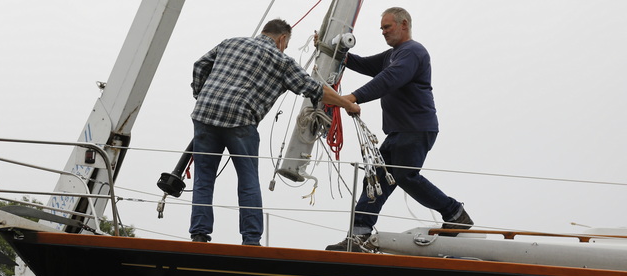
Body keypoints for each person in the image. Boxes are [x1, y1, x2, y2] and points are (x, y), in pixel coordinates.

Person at [189, 18, 360, 246]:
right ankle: (251, 240)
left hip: (205, 115)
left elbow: (200, 65)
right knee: (247, 179)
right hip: (241, 120)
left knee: (204, 177)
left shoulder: (230, 43)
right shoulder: (281, 60)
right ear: (282, 39)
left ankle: (199, 235)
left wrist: (201, 95)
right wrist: (347, 104)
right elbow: (315, 89)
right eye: (286, 44)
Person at [327, 7, 472, 252]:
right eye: (381, 28)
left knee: (404, 175)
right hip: (398, 132)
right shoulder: (392, 55)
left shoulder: (413, 52)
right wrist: (334, 51)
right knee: (376, 180)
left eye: (387, 27)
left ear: (403, 24)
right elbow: (362, 63)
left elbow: (390, 79)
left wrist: (353, 97)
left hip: (416, 128)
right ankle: (359, 236)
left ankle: (455, 213)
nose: (383, 32)